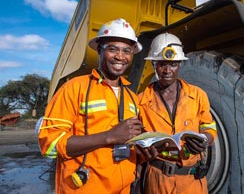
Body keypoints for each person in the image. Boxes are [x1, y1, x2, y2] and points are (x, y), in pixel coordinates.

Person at [38, 18, 145, 194]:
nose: (120, 56)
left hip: (124, 189)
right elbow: (50, 145)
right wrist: (109, 136)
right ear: (99, 50)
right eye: (113, 49)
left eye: (127, 50)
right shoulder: (74, 88)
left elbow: (131, 139)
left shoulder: (132, 97)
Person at [137, 33, 217, 194]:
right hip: (157, 180)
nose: (167, 70)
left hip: (192, 182)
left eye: (172, 64)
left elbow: (209, 127)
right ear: (154, 64)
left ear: (180, 64)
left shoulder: (198, 95)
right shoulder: (141, 101)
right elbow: (136, 144)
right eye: (162, 64)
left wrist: (205, 141)